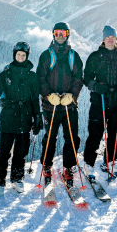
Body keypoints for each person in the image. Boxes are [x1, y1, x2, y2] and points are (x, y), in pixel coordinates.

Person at [0, 42, 43, 196]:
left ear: (27, 57)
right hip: (8, 118)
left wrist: (37, 117)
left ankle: (17, 178)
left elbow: (34, 100)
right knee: (4, 151)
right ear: (14, 55)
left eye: (23, 55)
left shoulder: (32, 76)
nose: (20, 57)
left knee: (21, 152)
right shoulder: (6, 74)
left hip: (25, 119)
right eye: (18, 54)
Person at [83, 25, 117, 178]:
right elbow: (86, 78)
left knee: (115, 134)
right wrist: (95, 86)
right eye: (108, 38)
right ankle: (88, 163)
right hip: (99, 102)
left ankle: (110, 161)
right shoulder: (95, 56)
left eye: (113, 38)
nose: (110, 40)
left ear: (116, 39)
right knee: (95, 134)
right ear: (103, 39)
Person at [37, 22, 83, 185]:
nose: (60, 36)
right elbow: (40, 79)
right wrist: (49, 95)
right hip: (51, 105)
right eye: (57, 33)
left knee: (71, 136)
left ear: (68, 34)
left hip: (69, 105)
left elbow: (79, 78)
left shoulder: (73, 56)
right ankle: (47, 165)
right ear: (53, 34)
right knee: (50, 137)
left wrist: (72, 95)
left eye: (63, 33)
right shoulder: (46, 55)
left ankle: (68, 167)